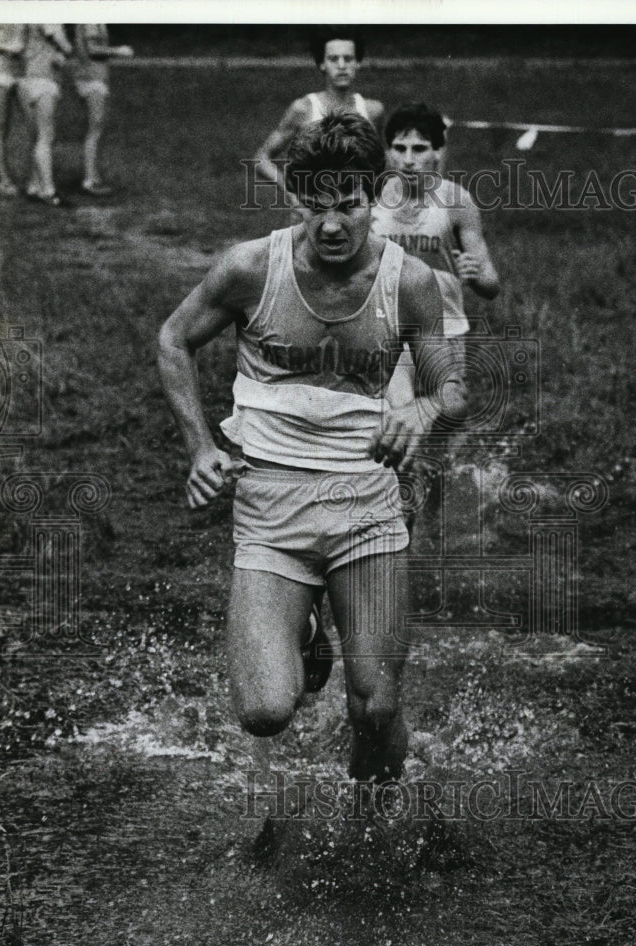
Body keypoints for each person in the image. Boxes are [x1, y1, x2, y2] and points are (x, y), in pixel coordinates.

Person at [158, 113, 466, 790]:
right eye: (314, 205)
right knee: (265, 711)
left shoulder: (409, 281)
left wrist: (419, 407)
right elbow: (173, 339)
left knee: (375, 706)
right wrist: (201, 448)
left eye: (348, 205)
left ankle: (372, 819)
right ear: (295, 197)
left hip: (366, 502)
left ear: (375, 196)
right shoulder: (250, 267)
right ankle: (304, 629)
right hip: (271, 505)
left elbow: (452, 387)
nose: (330, 225)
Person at [372, 102, 500, 409]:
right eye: (399, 148)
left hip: (444, 328)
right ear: (388, 152)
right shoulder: (371, 199)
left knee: (445, 412)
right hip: (387, 328)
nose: (408, 160)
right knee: (398, 411)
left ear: (439, 152)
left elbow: (491, 284)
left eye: (419, 149)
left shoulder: (457, 201)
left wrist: (474, 274)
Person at [252, 27, 384, 209]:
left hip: (356, 210)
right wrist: (291, 192)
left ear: (358, 63)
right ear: (322, 64)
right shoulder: (304, 109)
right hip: (311, 209)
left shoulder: (372, 111)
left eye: (348, 58)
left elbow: (380, 164)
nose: (342, 65)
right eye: (333, 59)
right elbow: (261, 158)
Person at [69, 24, 134, 196]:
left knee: (97, 127)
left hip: (94, 77)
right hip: (91, 78)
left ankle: (93, 175)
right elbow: (92, 49)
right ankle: (89, 180)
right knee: (95, 127)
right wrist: (118, 51)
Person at [16, 24, 73, 207]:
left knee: (36, 137)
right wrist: (62, 52)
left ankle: (34, 186)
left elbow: (18, 47)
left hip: (24, 79)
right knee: (45, 137)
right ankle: (49, 191)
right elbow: (65, 46)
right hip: (44, 80)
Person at [0, 23, 26, 197]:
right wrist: (5, 48)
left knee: (31, 123)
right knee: (0, 125)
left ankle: (34, 180)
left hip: (22, 72)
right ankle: (4, 179)